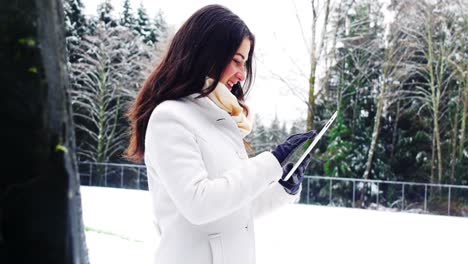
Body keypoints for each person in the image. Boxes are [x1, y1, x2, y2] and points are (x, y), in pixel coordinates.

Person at [125, 4, 316, 264]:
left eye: (245, 63)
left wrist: (283, 188)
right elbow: (199, 203)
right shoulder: (170, 117)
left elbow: (234, 208)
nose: (242, 74)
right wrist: (272, 161)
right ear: (207, 52)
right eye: (237, 60)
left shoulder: (220, 122)